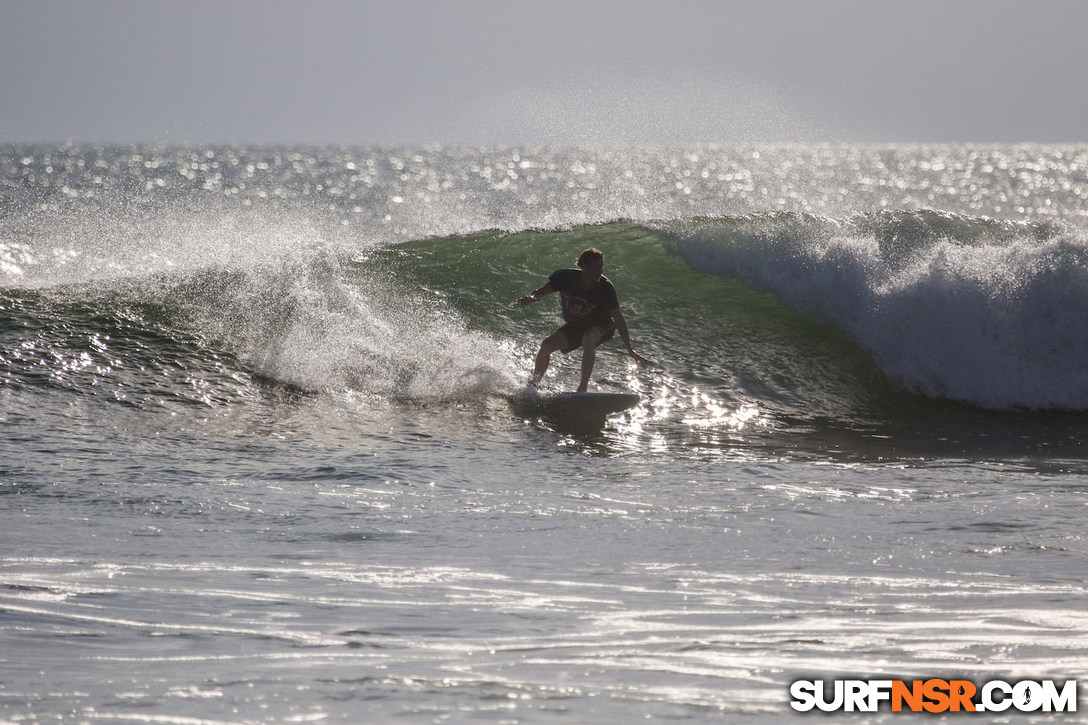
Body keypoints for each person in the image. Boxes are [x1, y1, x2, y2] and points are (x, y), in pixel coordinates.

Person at [518, 247, 651, 392]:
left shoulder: (605, 288)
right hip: (577, 324)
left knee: (588, 338)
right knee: (546, 346)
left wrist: (630, 350)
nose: (600, 271)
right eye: (596, 267)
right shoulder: (565, 278)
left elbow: (618, 318)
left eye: (601, 267)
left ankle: (583, 388)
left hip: (603, 325)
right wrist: (531, 298)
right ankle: (533, 386)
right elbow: (541, 292)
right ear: (584, 267)